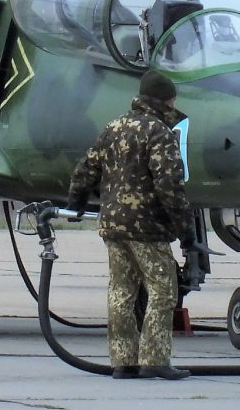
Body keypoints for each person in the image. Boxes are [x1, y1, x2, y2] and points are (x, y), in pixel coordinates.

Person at [68, 70, 196, 381]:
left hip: (113, 226)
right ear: (167, 99)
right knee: (163, 290)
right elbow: (170, 187)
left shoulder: (114, 127)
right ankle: (154, 358)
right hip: (147, 228)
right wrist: (186, 231)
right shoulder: (159, 132)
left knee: (121, 291)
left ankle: (122, 362)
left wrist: (77, 202)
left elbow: (86, 168)